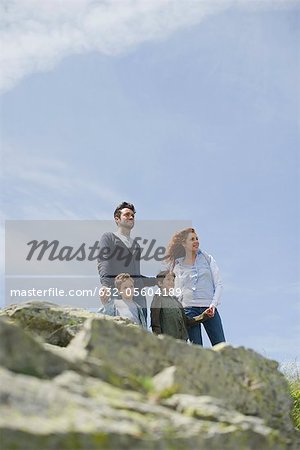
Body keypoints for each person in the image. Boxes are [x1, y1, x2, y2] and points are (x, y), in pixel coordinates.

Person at [165, 227, 225, 346]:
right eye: (192, 239)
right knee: (196, 348)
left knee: (221, 346)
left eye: (197, 238)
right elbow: (175, 291)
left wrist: (213, 304)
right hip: (189, 310)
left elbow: (219, 283)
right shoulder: (177, 265)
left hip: (209, 308)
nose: (196, 241)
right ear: (183, 243)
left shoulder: (208, 259)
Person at [97, 202, 156, 320]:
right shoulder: (109, 237)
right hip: (117, 291)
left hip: (139, 298)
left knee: (141, 333)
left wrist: (157, 280)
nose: (131, 217)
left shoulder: (136, 246)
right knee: (119, 329)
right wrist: (105, 284)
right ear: (117, 219)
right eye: (127, 214)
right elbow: (104, 262)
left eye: (133, 215)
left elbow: (136, 275)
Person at [151, 270, 210, 340]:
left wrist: (204, 315)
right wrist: (160, 342)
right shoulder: (158, 298)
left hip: (182, 344)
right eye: (168, 279)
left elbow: (186, 321)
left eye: (173, 280)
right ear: (160, 283)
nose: (171, 282)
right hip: (167, 344)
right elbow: (155, 323)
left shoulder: (177, 302)